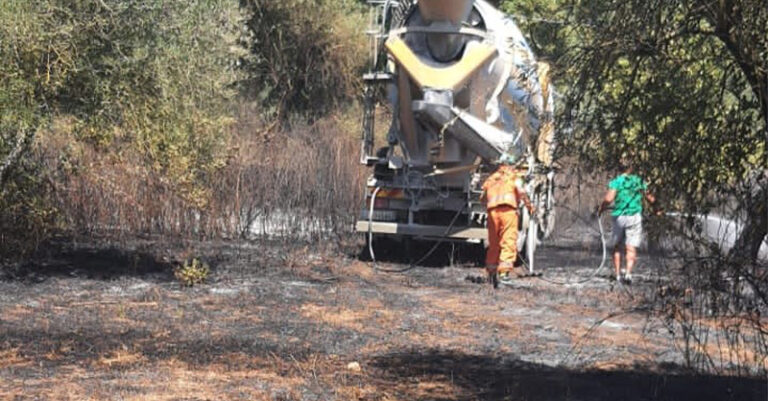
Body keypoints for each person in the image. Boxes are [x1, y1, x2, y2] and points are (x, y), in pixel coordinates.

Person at [597, 159, 657, 284]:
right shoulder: (638, 181)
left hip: (619, 217)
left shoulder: (617, 182)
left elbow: (608, 199)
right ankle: (628, 274)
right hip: (634, 216)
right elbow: (650, 197)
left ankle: (618, 274)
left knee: (617, 246)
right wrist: (657, 208)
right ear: (631, 168)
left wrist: (601, 208)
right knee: (631, 247)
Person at [481, 153, 535, 287]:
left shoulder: (491, 178)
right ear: (512, 164)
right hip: (508, 212)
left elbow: (482, 198)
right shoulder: (514, 177)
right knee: (508, 242)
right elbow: (522, 192)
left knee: (494, 244)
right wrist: (530, 207)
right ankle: (504, 275)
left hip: (492, 213)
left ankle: (491, 273)